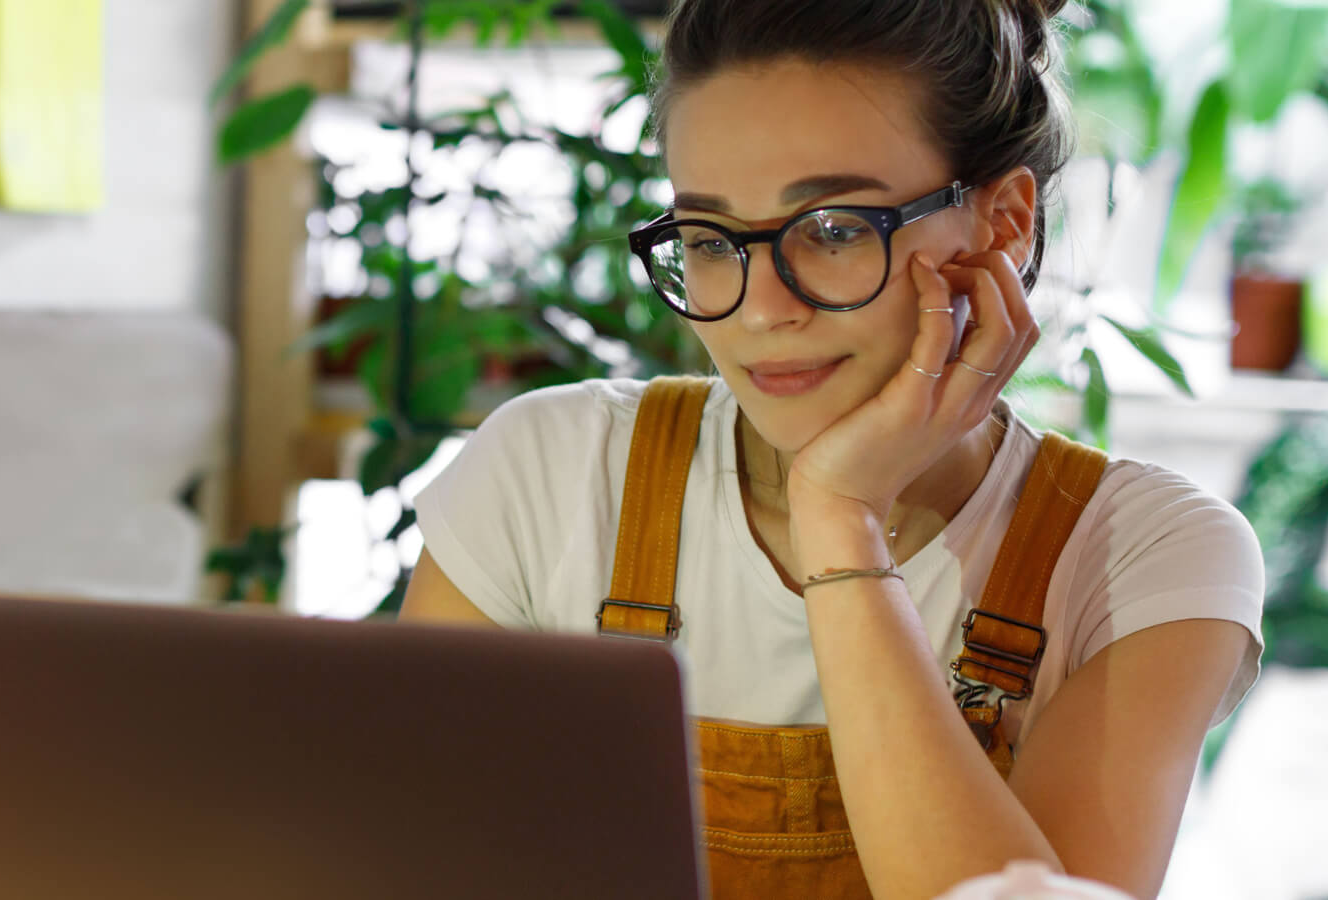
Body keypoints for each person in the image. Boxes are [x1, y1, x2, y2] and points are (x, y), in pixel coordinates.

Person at [398, 1, 1266, 898]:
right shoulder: (551, 473)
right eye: (709, 239)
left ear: (1002, 223)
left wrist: (840, 520)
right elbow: (388, 859)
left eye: (836, 229)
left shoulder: (1145, 557)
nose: (763, 307)